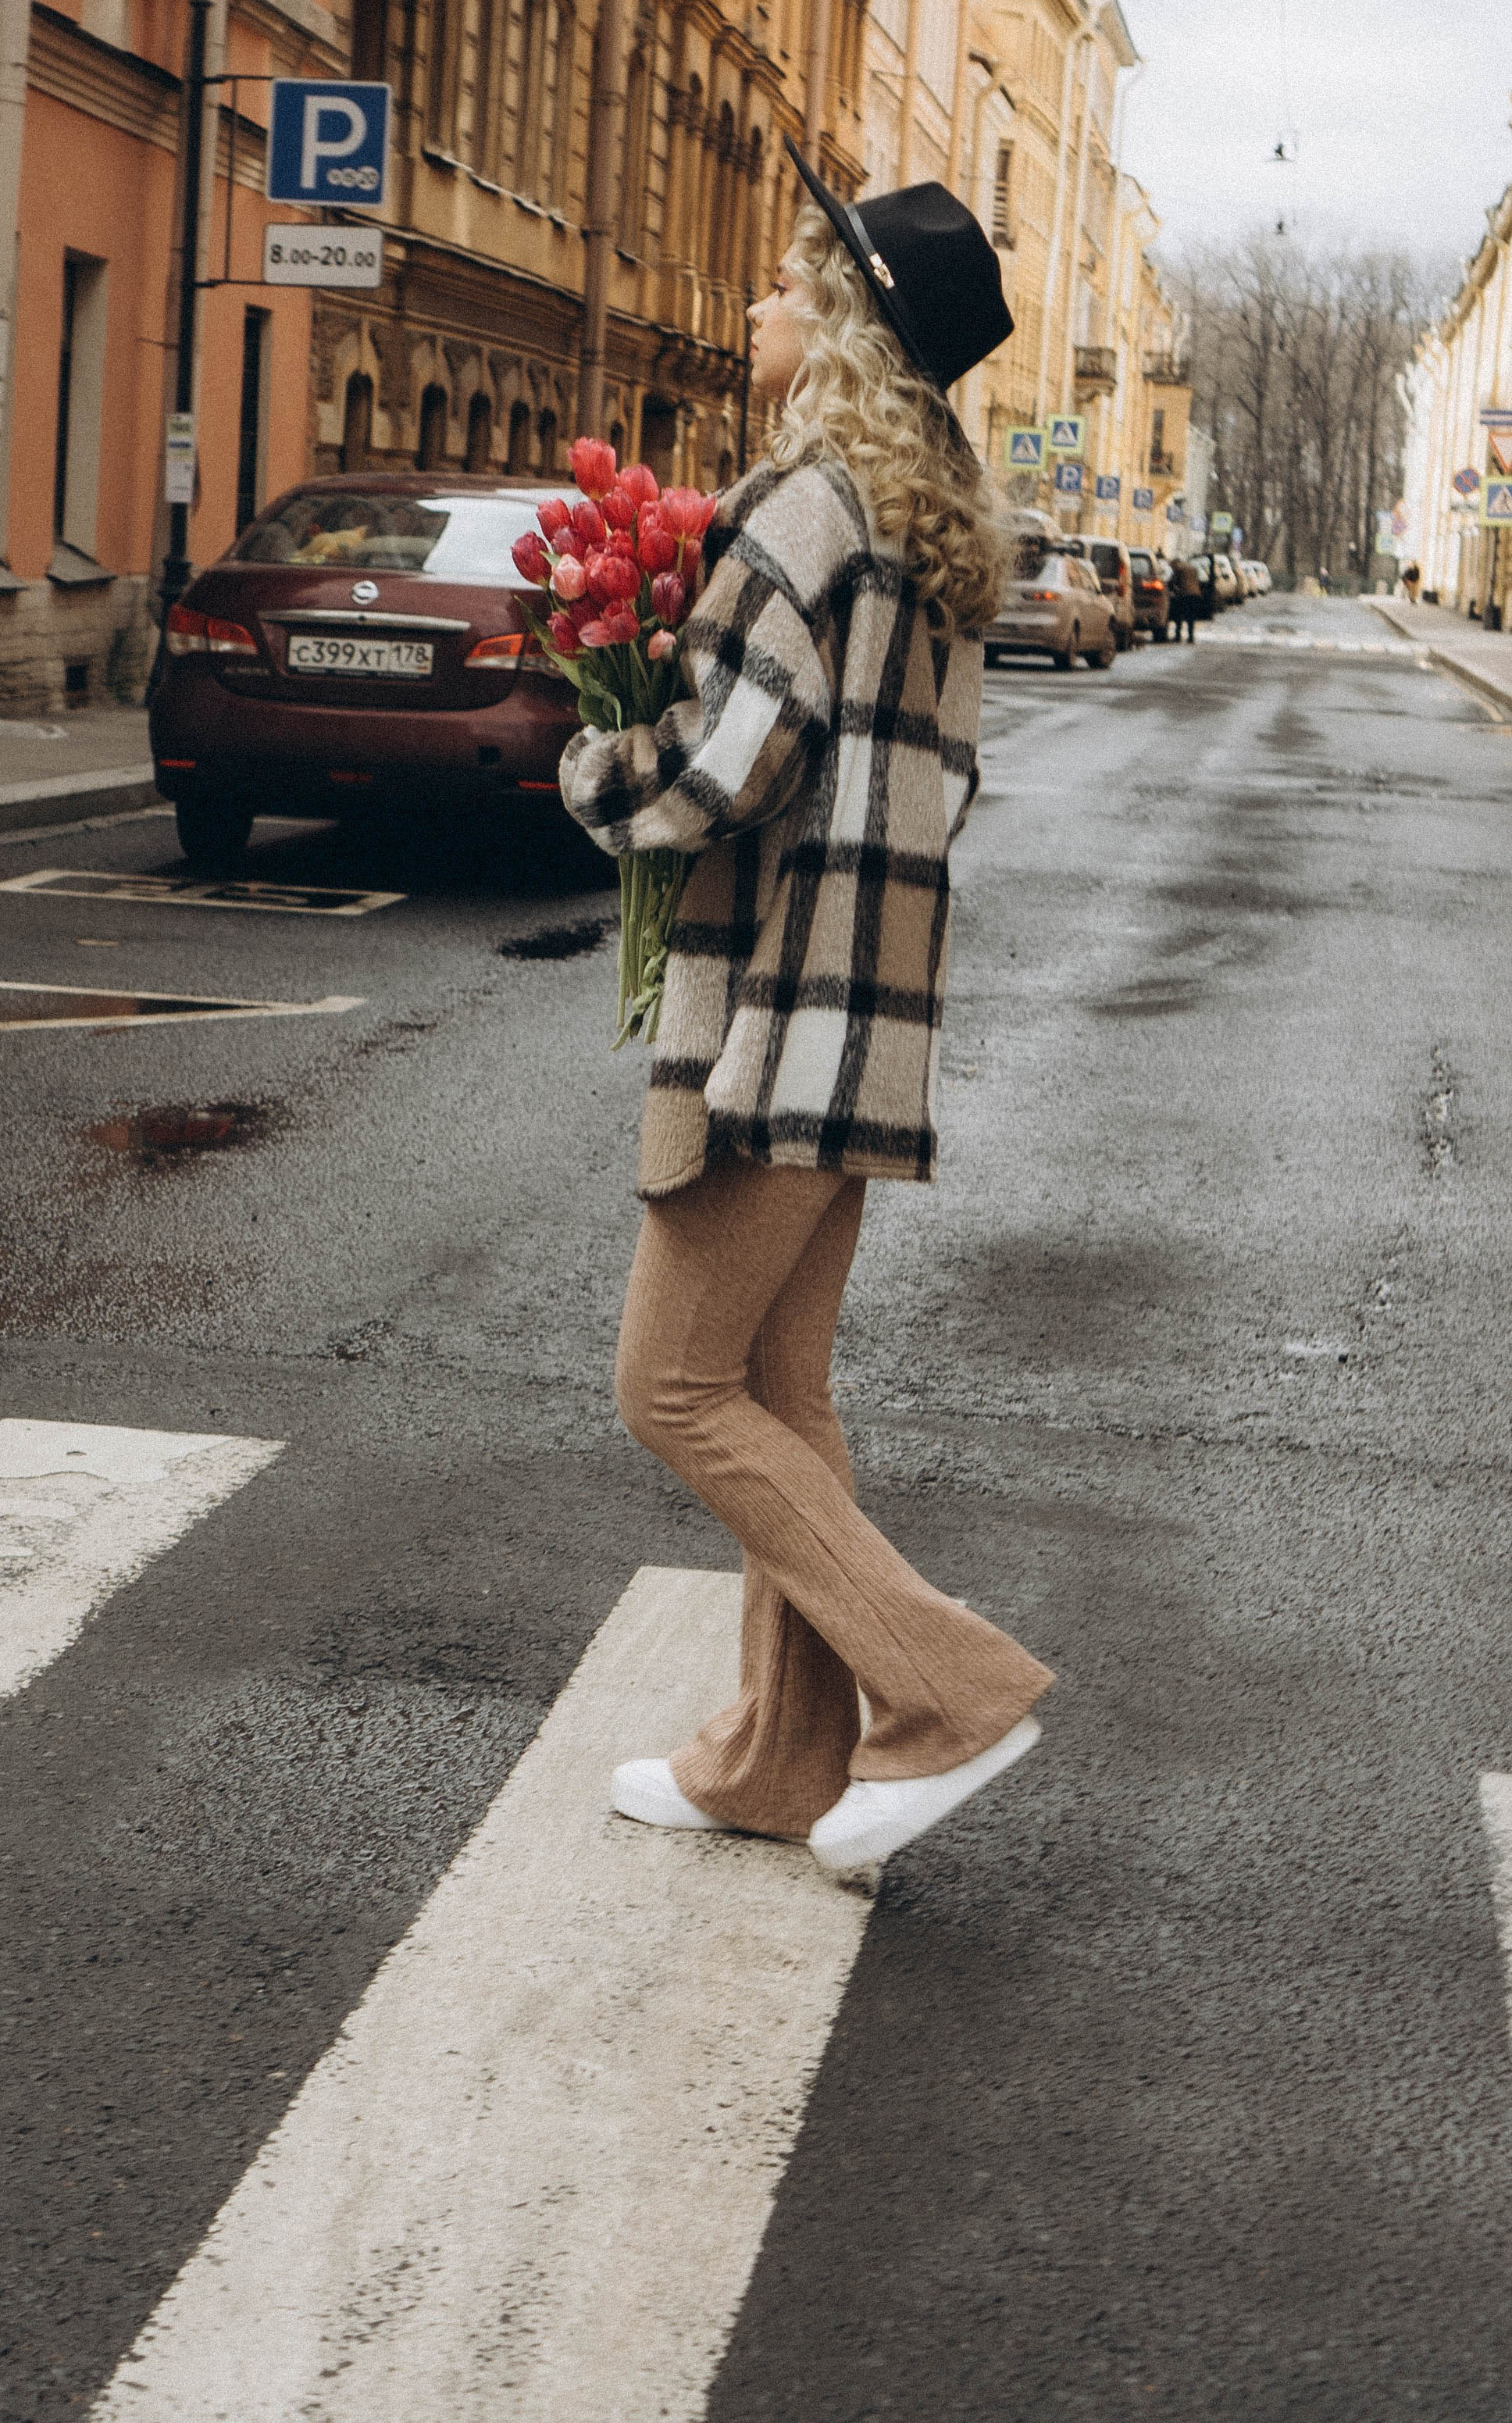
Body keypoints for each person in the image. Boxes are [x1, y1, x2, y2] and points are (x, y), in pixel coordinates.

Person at [559, 155, 1054, 1880]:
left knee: (670, 1390)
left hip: (772, 1010)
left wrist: (589, 767)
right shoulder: (931, 530)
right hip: (872, 1011)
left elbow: (723, 764)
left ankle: (949, 1688)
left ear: (842, 325)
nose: (758, 306)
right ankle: (777, 1760)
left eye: (785, 286)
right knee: (775, 1381)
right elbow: (948, 784)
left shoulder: (803, 502)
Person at [1168, 554, 1204, 642]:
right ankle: (1191, 637)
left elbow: (1174, 582)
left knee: (1179, 616)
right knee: (1191, 617)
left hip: (1185, 595)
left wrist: (1171, 589)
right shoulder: (1192, 568)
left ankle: (1178, 636)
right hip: (1195, 594)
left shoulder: (1178, 569)